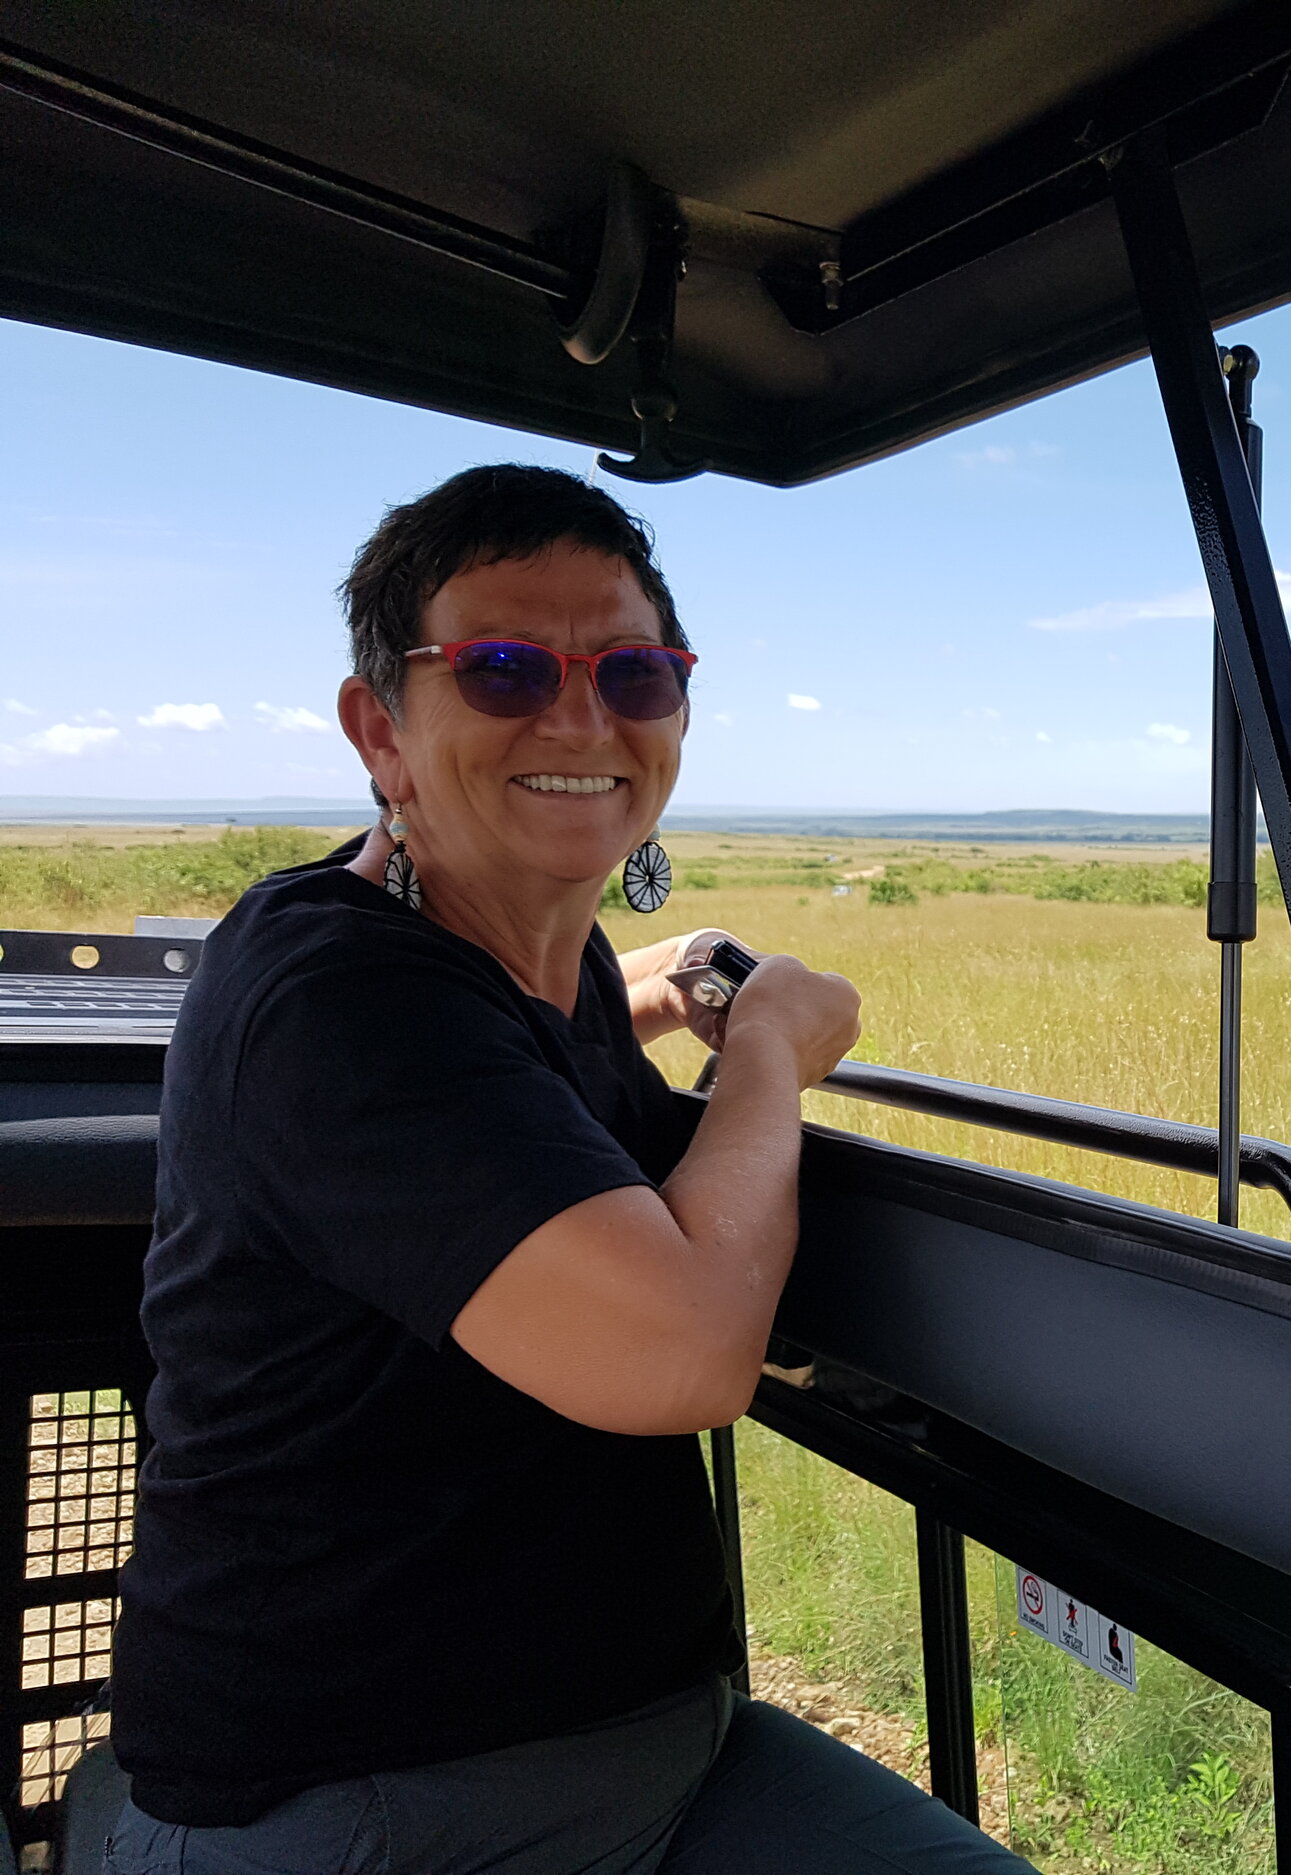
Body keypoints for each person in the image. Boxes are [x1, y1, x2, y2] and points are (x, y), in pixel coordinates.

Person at [107, 465, 1036, 1875]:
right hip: (363, 1803)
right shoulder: (335, 997)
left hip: (663, 1751)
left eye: (637, 673)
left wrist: (661, 985)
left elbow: (540, 1063)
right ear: (382, 734)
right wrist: (771, 1044)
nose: (580, 717)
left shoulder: (541, 961)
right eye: (499, 669)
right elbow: (675, 1357)